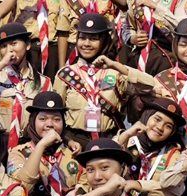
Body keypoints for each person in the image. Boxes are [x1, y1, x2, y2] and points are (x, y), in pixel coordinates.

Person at [53, 13, 155, 146]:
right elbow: (56, 114)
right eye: (82, 38)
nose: (86, 44)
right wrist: (68, 140)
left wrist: (115, 65)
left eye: (93, 39)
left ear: (104, 42)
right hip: (75, 142)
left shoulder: (116, 72)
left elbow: (149, 85)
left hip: (108, 140)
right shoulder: (66, 74)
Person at [0, 22, 52, 148]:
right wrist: (2, 64)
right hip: (1, 142)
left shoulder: (43, 82)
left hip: (30, 143)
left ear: (28, 45)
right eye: (3, 46)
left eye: (14, 43)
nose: (9, 50)